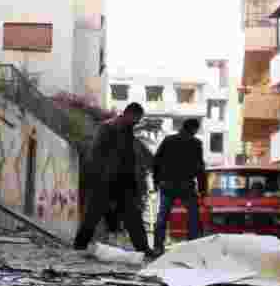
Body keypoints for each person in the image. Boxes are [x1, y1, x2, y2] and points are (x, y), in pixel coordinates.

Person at [74, 102, 155, 257]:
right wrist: (98, 178)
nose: (137, 122)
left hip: (124, 183)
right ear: (129, 114)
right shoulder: (108, 127)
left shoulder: (127, 130)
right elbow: (95, 154)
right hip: (106, 180)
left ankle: (143, 249)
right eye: (136, 119)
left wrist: (133, 181)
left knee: (133, 217)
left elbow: (128, 158)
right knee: (93, 215)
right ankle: (79, 245)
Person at [152, 117, 206, 255]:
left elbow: (156, 161)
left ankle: (158, 246)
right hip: (186, 186)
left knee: (162, 216)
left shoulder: (169, 140)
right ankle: (192, 246)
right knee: (193, 216)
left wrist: (156, 181)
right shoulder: (196, 143)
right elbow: (200, 168)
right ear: (193, 129)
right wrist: (202, 189)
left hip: (167, 185)